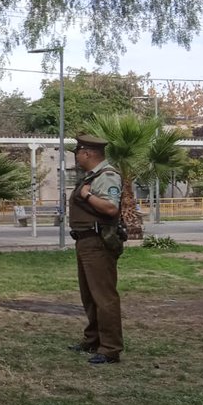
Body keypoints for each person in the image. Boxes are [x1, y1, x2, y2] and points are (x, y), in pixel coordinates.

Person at [67, 134, 125, 365]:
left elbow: (111, 208)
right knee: (89, 295)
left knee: (104, 296)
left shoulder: (107, 176)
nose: (77, 157)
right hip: (86, 241)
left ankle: (110, 348)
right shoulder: (92, 176)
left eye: (78, 153)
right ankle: (93, 340)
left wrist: (87, 195)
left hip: (98, 242)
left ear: (87, 153)